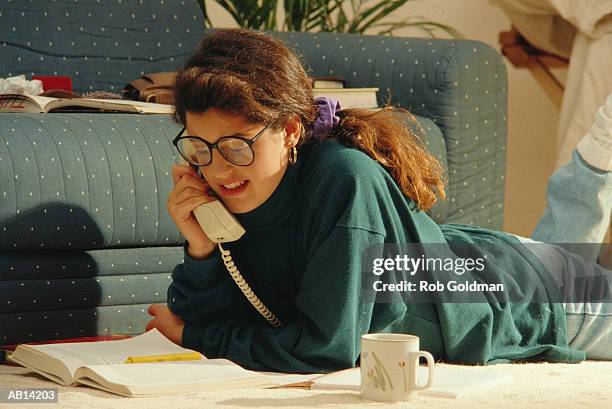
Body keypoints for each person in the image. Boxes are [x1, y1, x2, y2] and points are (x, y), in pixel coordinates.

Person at [146, 28, 612, 373]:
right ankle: (596, 160)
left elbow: (329, 349)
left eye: (237, 145)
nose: (220, 167)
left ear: (289, 130)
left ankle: (595, 159)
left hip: (521, 294)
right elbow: (213, 315)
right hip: (468, 256)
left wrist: (199, 336)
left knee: (567, 268)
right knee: (562, 246)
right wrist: (202, 246)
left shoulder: (343, 180)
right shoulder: (231, 182)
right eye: (199, 147)